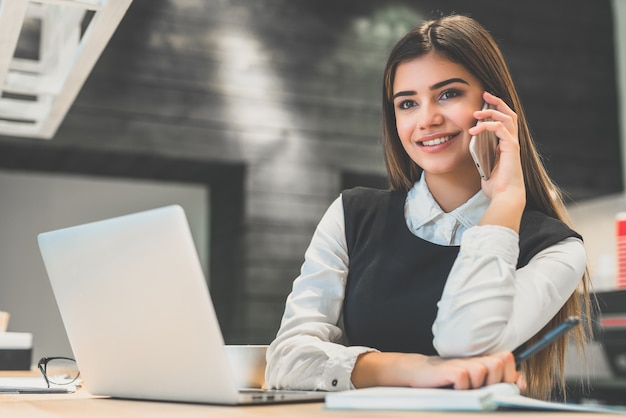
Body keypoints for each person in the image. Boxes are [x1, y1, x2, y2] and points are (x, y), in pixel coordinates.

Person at [265, 14, 591, 400]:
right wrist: (417, 369)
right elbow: (286, 358)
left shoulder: (556, 247)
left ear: (493, 104)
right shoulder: (352, 216)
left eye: (448, 94)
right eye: (407, 103)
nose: (427, 119)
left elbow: (464, 341)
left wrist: (504, 202)